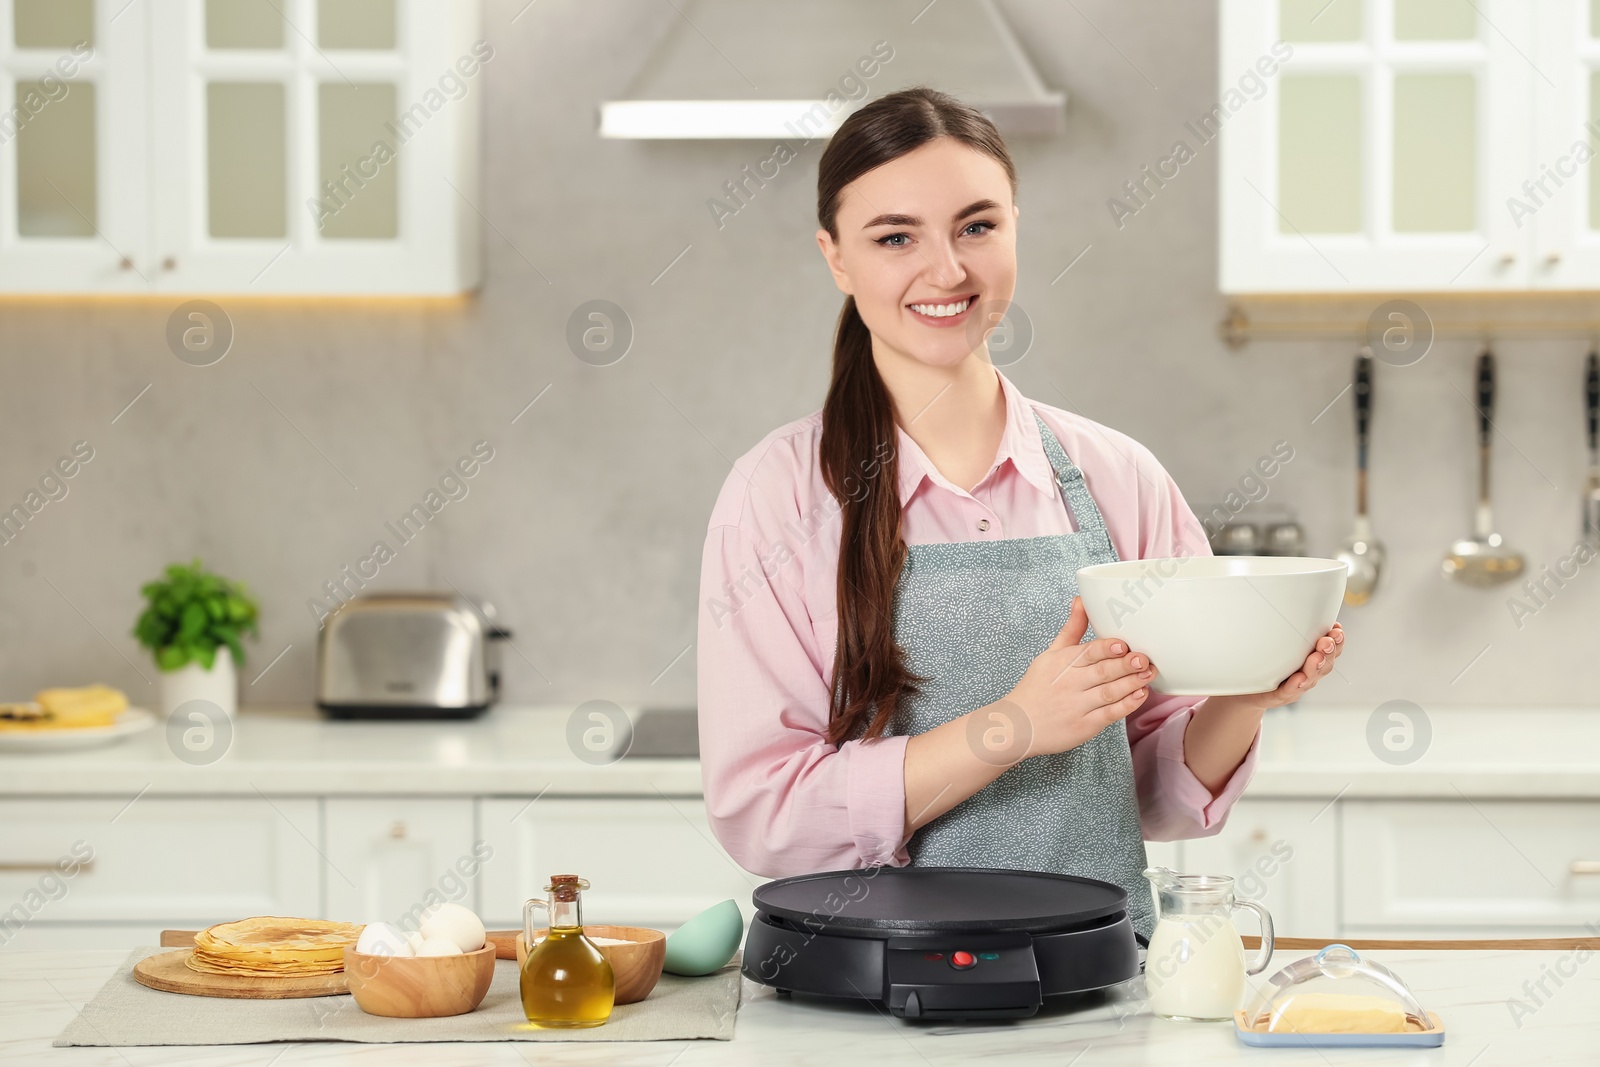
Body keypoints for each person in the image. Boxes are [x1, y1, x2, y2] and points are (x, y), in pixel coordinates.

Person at [694, 86, 1343, 938]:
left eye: (977, 226)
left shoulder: (1121, 478)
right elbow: (763, 813)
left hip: (1099, 981)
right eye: (896, 238)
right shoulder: (777, 495)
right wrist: (1012, 727)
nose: (948, 270)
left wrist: (1246, 697)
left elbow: (1145, 791)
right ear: (837, 258)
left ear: (1014, 228)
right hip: (874, 993)